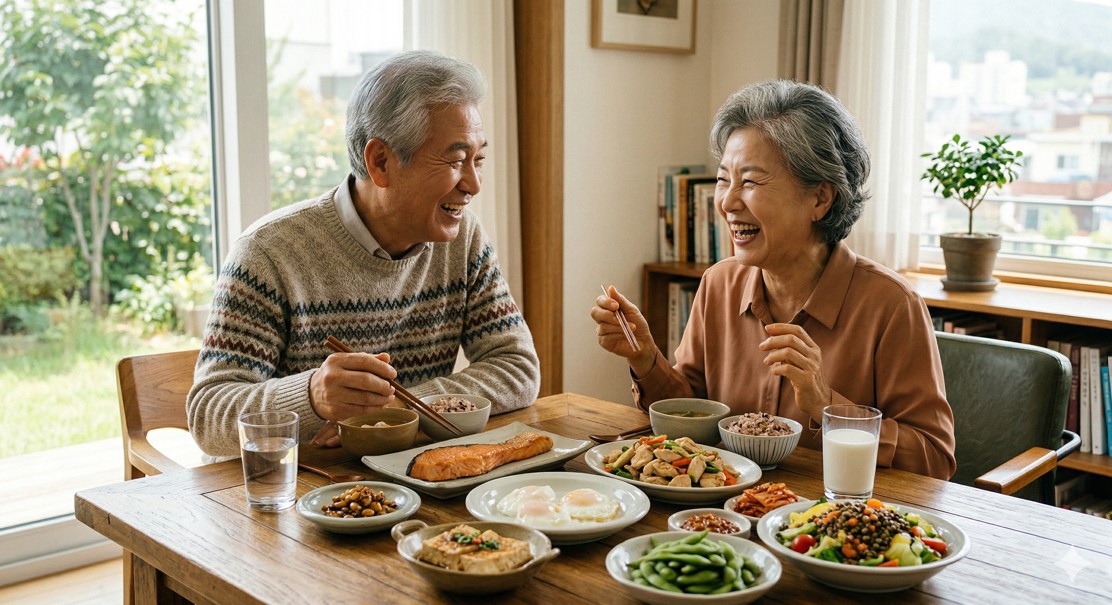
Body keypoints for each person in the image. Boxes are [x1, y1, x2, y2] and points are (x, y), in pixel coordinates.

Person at [592, 80, 956, 480]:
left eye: (750, 181)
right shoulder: (719, 284)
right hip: (726, 506)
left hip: (827, 512)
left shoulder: (891, 305)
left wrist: (825, 405)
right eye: (723, 179)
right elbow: (691, 416)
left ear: (820, 198)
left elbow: (934, 460)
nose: (727, 202)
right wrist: (645, 358)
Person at [188, 50, 540, 458]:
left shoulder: (464, 239)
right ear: (380, 162)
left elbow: (516, 366)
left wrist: (401, 408)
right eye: (456, 160)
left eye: (478, 160)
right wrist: (311, 397)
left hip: (405, 475)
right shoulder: (268, 254)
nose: (474, 185)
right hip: (287, 483)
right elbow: (208, 417)